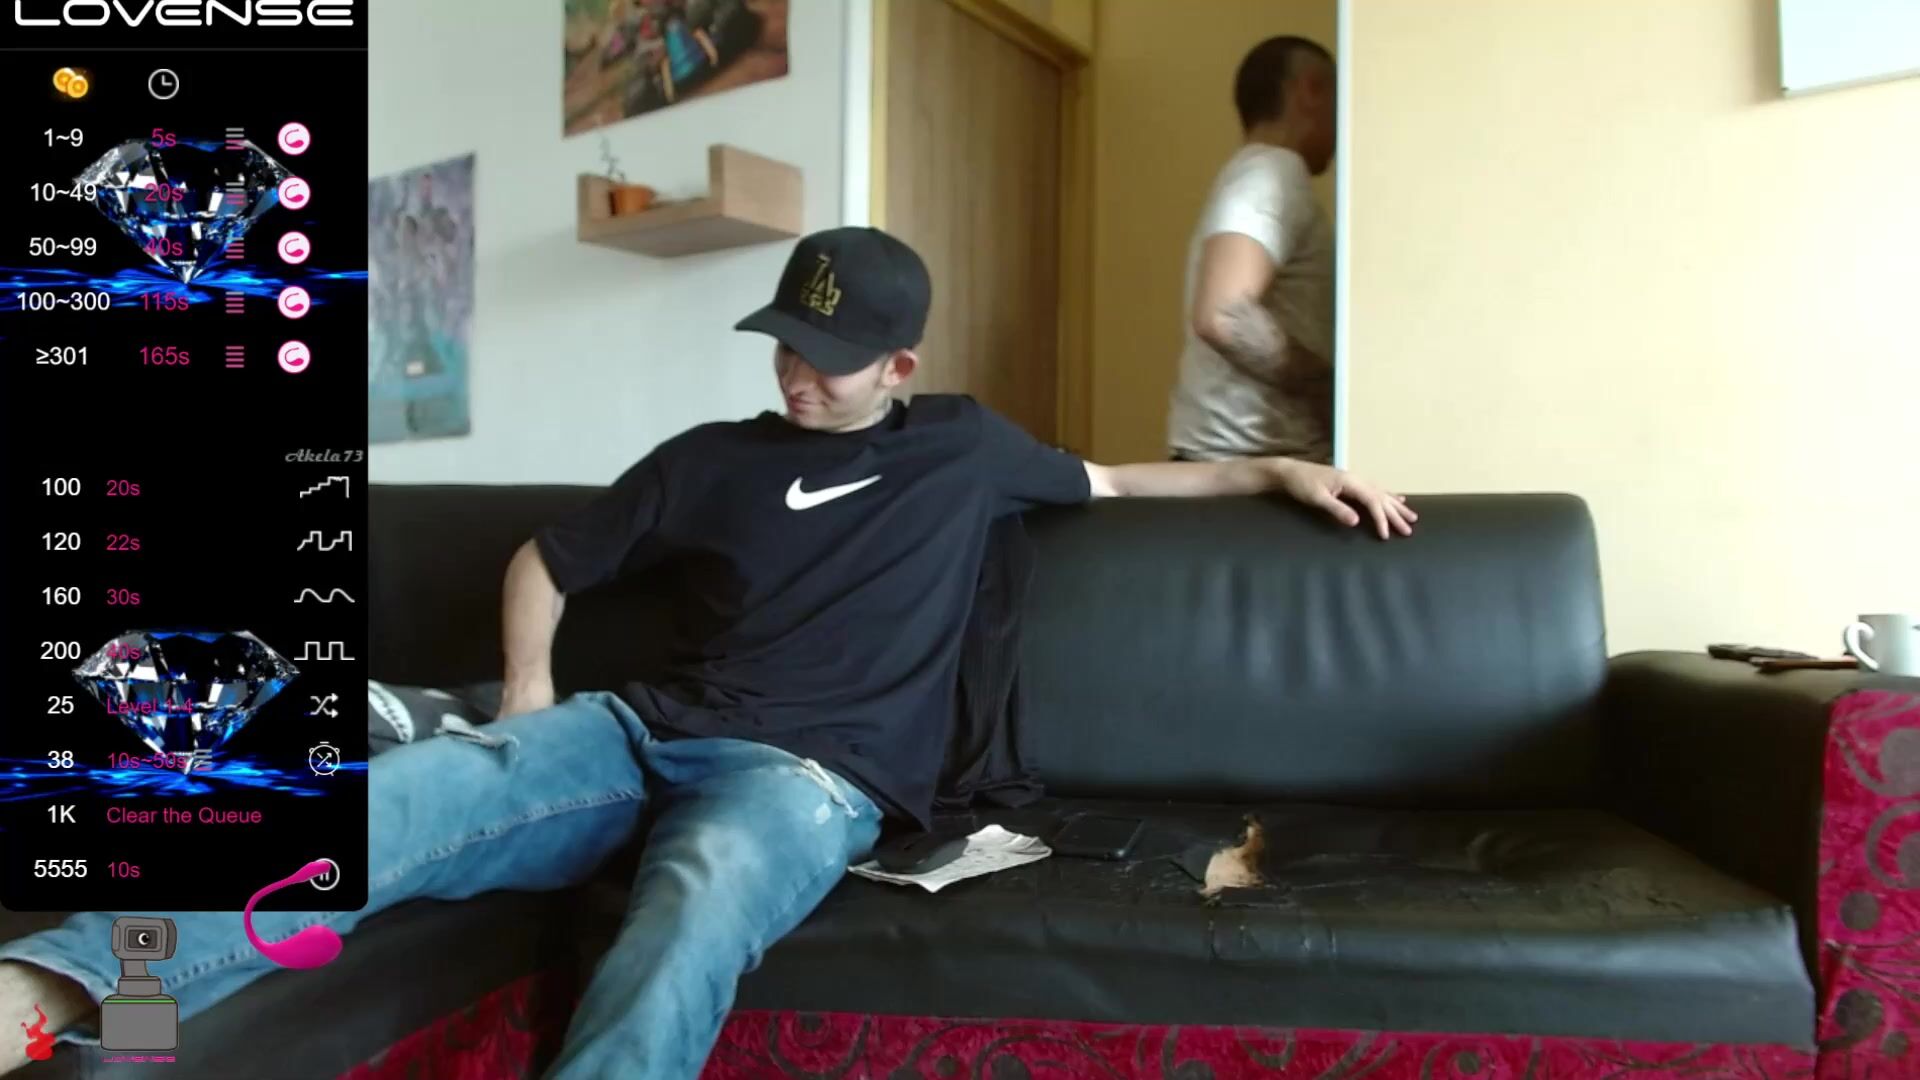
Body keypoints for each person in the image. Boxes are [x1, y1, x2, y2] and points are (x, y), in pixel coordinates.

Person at [0, 227, 1414, 1079]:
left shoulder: (968, 450)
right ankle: (55, 990)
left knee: (692, 909)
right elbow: (545, 558)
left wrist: (1284, 467)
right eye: (785, 342)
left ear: (902, 366)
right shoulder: (710, 461)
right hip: (635, 732)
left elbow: (1116, 481)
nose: (798, 371)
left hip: (807, 777)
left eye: (829, 356)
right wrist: (532, 696)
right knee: (397, 803)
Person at [1168, 35, 1338, 464]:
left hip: (1244, 465)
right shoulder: (1272, 173)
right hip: (1245, 468)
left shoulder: (1255, 173)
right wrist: (1330, 385)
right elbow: (1223, 315)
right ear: (1311, 89)